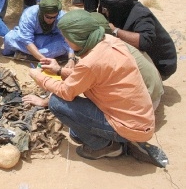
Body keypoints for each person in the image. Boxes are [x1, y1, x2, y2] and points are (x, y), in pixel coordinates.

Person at [23, 9, 168, 168]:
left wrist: (39, 77)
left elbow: (66, 91)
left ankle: (106, 147)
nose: (65, 41)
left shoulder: (90, 62)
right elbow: (89, 75)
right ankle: (123, 139)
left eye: (66, 37)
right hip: (140, 118)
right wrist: (59, 70)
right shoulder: (110, 42)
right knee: (76, 132)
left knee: (57, 103)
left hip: (129, 124)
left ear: (76, 37)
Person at [98, 0, 177, 80]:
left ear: (116, 9)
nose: (103, 12)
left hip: (161, 66)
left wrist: (115, 31)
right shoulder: (123, 12)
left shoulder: (141, 15)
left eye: (105, 10)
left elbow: (145, 41)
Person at [3, 0, 75, 66]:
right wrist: (44, 60)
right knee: (9, 38)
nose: (51, 20)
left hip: (49, 40)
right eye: (48, 17)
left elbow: (69, 37)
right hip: (31, 40)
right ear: (42, 12)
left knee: (64, 44)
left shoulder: (62, 16)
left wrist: (71, 59)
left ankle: (26, 55)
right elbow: (27, 41)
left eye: (54, 17)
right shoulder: (29, 15)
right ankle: (40, 56)